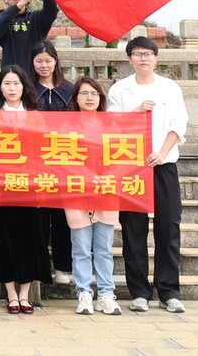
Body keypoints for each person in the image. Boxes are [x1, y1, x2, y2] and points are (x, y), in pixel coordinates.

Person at [110, 35, 188, 314]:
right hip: (132, 167)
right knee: (134, 230)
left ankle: (169, 291)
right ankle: (140, 292)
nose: (143, 58)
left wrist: (162, 153)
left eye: (148, 53)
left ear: (156, 59)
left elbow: (179, 125)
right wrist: (136, 111)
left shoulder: (170, 88)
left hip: (164, 164)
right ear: (129, 59)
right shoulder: (120, 89)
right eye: (137, 53)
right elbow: (112, 125)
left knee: (168, 227)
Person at [0, 64, 52, 313]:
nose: (12, 88)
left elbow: (44, 151)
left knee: (30, 239)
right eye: (7, 83)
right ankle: (11, 294)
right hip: (2, 185)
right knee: (5, 239)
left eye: (16, 83)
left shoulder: (36, 116)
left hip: (30, 186)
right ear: (0, 87)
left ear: (24, 86)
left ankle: (24, 294)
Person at [65, 75, 119, 314]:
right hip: (76, 191)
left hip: (106, 191)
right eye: (84, 93)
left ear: (101, 98)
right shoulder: (66, 126)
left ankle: (106, 294)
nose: (89, 98)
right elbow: (60, 160)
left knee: (104, 247)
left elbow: (121, 158)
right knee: (81, 248)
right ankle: (84, 292)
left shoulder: (111, 125)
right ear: (76, 98)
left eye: (94, 93)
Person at [28, 40, 75, 281]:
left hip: (64, 160)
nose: (43, 65)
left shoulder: (70, 89)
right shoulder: (27, 89)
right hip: (35, 161)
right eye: (39, 61)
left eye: (48, 61)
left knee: (61, 216)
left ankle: (63, 267)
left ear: (56, 61)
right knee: (39, 215)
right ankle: (41, 266)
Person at [0, 0, 60, 73]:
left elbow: (52, 10)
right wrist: (19, 5)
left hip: (35, 77)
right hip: (12, 78)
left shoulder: (36, 18)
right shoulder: (1, 19)